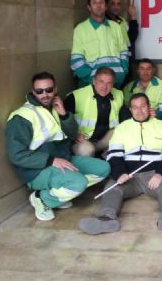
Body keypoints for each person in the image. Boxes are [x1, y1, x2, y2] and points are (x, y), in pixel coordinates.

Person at [78, 93, 162, 234]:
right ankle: (106, 219)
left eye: (143, 106)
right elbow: (114, 155)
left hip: (154, 174)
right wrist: (120, 173)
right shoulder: (122, 128)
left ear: (149, 107)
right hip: (129, 176)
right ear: (130, 110)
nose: (139, 111)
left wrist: (160, 174)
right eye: (135, 108)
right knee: (112, 188)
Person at [6, 72, 110, 221]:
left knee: (103, 168)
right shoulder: (22, 117)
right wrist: (51, 160)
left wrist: (63, 114)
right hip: (38, 169)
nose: (45, 95)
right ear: (32, 91)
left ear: (55, 89)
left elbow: (73, 134)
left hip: (63, 159)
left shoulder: (54, 107)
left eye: (48, 90)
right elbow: (16, 155)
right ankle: (43, 198)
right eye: (39, 91)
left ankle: (58, 193)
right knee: (78, 183)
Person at [64, 67, 129, 157]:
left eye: (109, 83)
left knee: (126, 133)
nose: (104, 87)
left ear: (113, 84)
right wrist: (75, 134)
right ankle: (90, 167)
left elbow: (127, 119)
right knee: (87, 150)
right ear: (94, 81)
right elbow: (62, 121)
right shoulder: (76, 96)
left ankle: (108, 157)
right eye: (101, 81)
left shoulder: (119, 94)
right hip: (82, 140)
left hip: (103, 140)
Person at [71, 0, 129, 88]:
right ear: (89, 7)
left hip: (115, 82)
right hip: (91, 84)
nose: (98, 6)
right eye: (94, 3)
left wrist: (122, 73)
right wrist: (89, 77)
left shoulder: (116, 27)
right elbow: (76, 58)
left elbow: (124, 52)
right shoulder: (80, 29)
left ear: (106, 6)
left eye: (101, 2)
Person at [106, 0, 139, 83]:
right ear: (106, 5)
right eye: (112, 4)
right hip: (112, 63)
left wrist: (133, 16)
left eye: (118, 4)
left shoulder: (121, 20)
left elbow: (132, 37)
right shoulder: (103, 22)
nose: (116, 7)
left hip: (125, 61)